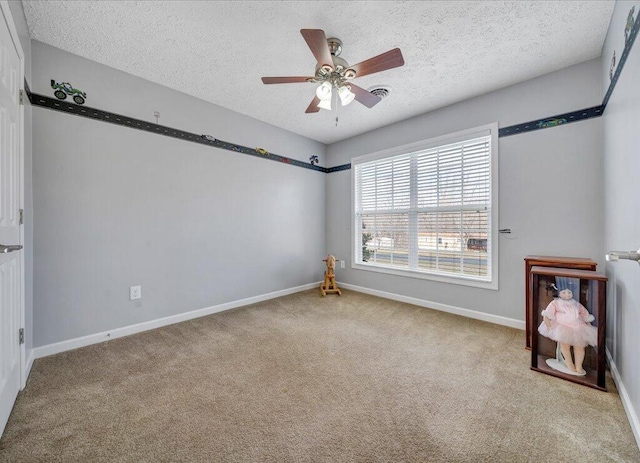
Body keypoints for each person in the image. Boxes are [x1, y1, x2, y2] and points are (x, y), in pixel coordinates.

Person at [538, 288, 597, 375]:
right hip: (562, 326)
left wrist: (587, 322)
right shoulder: (556, 303)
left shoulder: (576, 303)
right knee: (565, 346)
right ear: (559, 293)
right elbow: (547, 314)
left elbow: (584, 313)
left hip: (578, 327)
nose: (567, 294)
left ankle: (579, 365)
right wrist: (548, 325)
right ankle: (569, 363)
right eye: (564, 292)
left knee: (580, 347)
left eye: (569, 292)